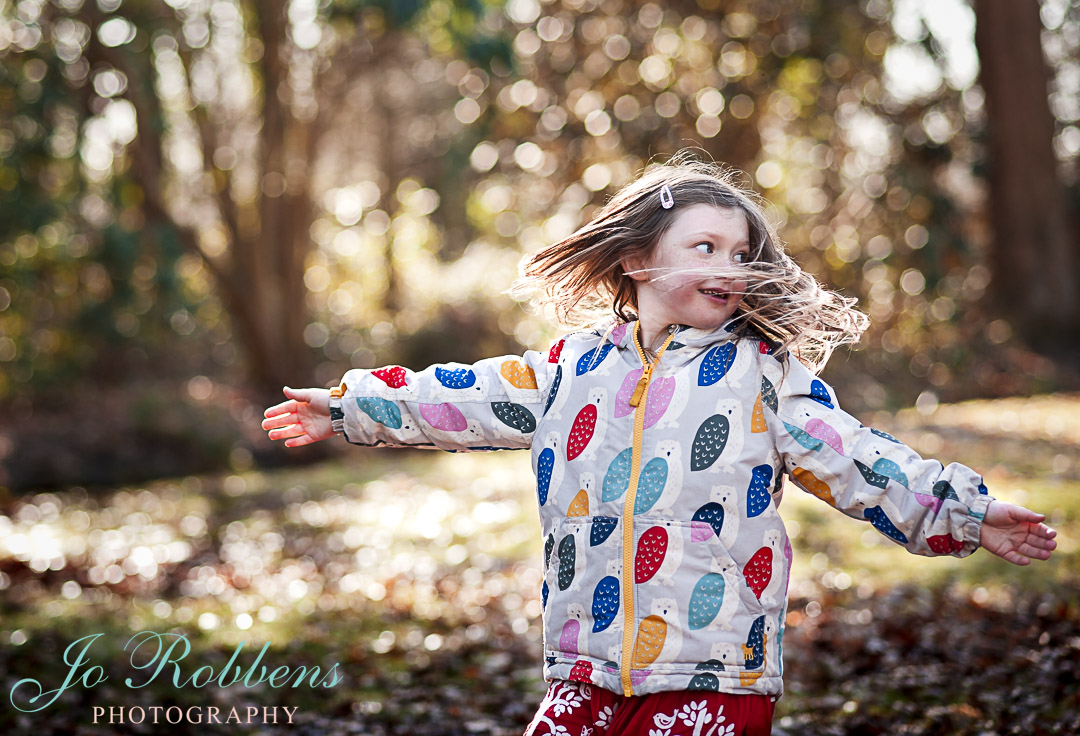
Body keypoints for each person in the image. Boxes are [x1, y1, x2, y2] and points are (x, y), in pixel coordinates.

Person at [262, 154, 1056, 735]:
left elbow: (858, 459)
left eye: (742, 252)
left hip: (713, 666)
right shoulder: (572, 367)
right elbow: (463, 394)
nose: (732, 267)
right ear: (638, 260)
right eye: (706, 248)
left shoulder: (762, 377)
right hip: (586, 664)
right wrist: (348, 407)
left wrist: (966, 512)